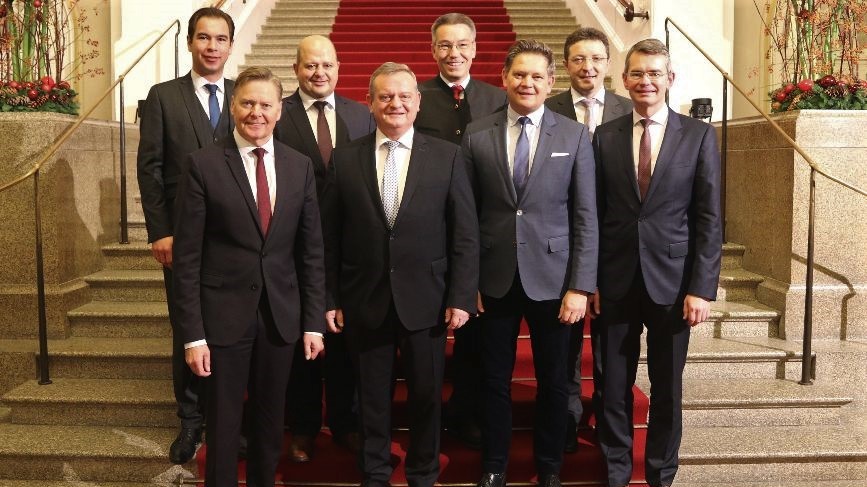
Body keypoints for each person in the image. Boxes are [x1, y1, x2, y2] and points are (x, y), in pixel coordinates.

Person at [323, 62, 479, 487]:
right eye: (386, 96)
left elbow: (465, 234)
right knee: (371, 397)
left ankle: (423, 472)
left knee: (427, 395)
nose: (396, 104)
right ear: (370, 103)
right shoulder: (345, 158)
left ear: (418, 103)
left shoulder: (447, 156)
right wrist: (330, 297)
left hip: (428, 299)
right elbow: (329, 237)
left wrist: (461, 296)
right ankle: (374, 472)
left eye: (404, 96)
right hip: (364, 298)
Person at [173, 66, 326, 487]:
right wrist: (193, 336)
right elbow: (187, 259)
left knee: (270, 420)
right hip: (223, 318)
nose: (256, 112)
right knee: (223, 425)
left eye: (265, 104)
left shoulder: (299, 166)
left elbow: (311, 252)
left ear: (280, 110)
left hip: (280, 317)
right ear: (233, 106)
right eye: (247, 103)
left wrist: (313, 322)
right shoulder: (202, 164)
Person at [461, 40, 598, 487]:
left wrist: (580, 285)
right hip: (493, 277)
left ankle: (550, 467)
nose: (527, 82)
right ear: (504, 78)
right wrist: (467, 281)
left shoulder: (574, 135)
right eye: (519, 74)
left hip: (555, 281)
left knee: (554, 381)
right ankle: (494, 465)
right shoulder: (477, 133)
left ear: (551, 82)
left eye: (537, 75)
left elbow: (585, 215)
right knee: (493, 380)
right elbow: (466, 214)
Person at [593, 38, 722, 487]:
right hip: (615, 280)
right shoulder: (604, 135)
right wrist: (590, 280)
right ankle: (616, 472)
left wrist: (702, 287)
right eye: (637, 73)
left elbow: (708, 217)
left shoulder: (699, 135)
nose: (645, 81)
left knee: (667, 388)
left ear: (669, 79)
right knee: (613, 387)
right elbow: (594, 213)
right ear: (624, 79)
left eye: (654, 73)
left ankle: (661, 474)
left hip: (674, 281)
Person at [136, 6, 235, 464]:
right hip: (182, 238)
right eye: (204, 37)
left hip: (236, 239)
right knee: (188, 328)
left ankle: (227, 419)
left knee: (231, 329)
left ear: (230, 45)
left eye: (220, 38)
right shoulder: (163, 97)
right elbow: (150, 169)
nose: (212, 46)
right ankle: (191, 419)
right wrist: (160, 231)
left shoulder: (244, 96)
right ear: (190, 42)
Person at [273, 34, 374, 462]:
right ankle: (303, 427)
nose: (319, 73)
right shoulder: (278, 113)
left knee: (345, 341)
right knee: (304, 341)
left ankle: (347, 423)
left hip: (352, 247)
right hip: (294, 246)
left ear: (338, 68)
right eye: (311, 65)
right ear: (296, 69)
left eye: (327, 65)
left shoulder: (362, 114)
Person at [413, 11, 506, 449]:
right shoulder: (414, 96)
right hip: (427, 227)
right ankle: (425, 416)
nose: (454, 53)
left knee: (475, 332)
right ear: (433, 50)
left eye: (462, 44)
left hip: (481, 227)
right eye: (445, 45)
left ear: (475, 49)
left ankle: (466, 410)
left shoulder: (496, 98)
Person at [544, 26, 633, 454]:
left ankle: (606, 417)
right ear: (566, 65)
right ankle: (567, 419)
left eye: (597, 58)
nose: (588, 67)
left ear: (608, 64)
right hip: (566, 245)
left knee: (609, 348)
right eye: (579, 59)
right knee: (565, 346)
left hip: (617, 247)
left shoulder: (628, 109)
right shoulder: (548, 109)